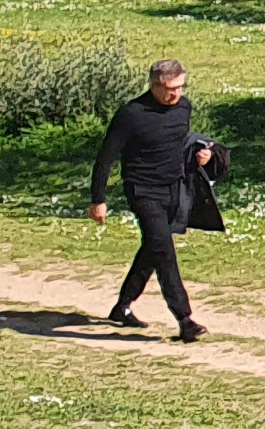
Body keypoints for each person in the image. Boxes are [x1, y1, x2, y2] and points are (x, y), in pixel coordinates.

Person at [88, 57, 213, 341]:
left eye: (181, 87)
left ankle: (122, 307)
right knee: (164, 251)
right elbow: (105, 158)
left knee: (152, 249)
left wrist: (200, 156)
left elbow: (179, 142)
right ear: (155, 85)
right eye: (170, 88)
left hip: (173, 189)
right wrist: (98, 199)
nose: (176, 94)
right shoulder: (131, 114)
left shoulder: (184, 107)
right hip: (142, 191)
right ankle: (185, 319)